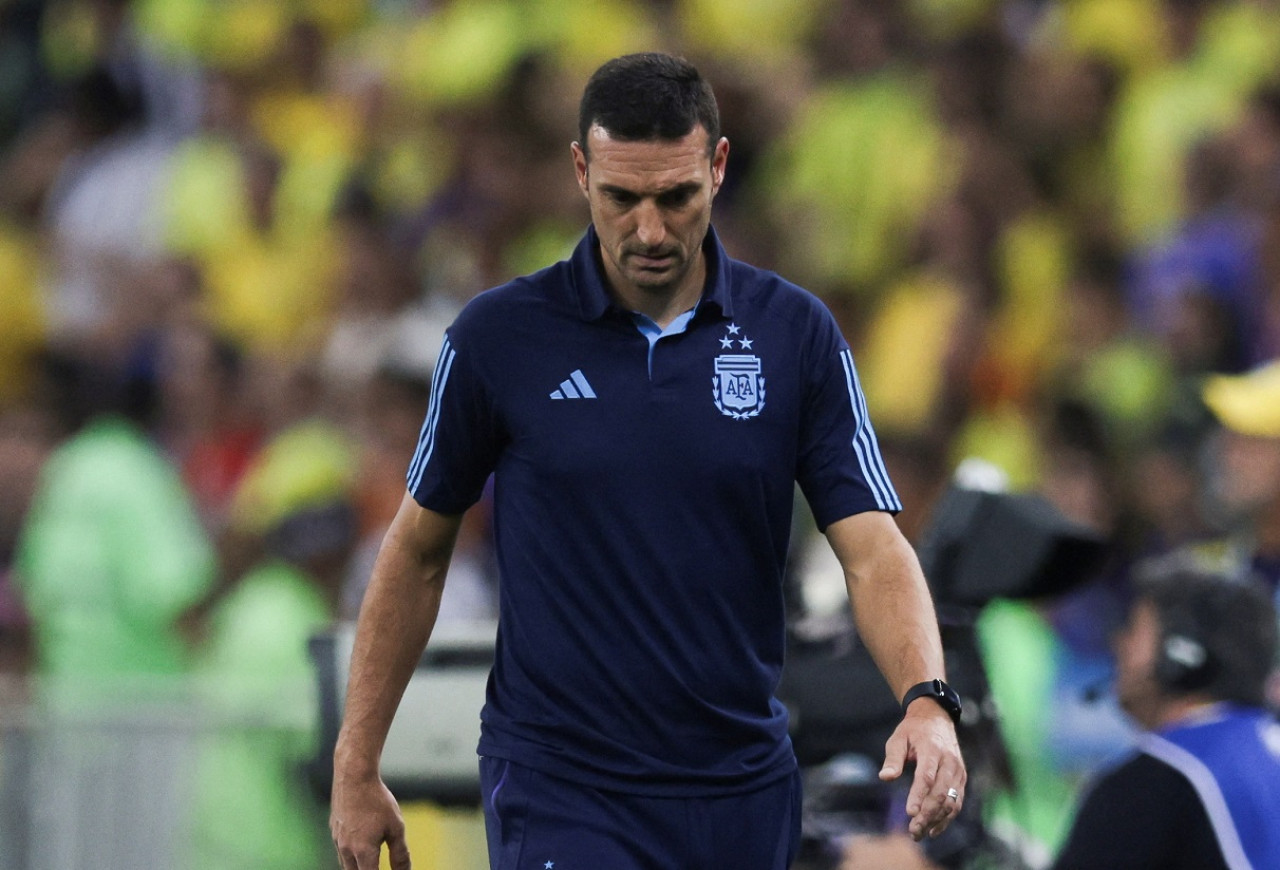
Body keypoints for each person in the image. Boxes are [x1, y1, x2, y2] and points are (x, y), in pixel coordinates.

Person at [330, 52, 965, 870]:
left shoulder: (794, 336)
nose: (651, 230)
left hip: (740, 787)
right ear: (580, 170)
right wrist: (357, 760)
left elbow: (874, 548)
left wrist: (927, 701)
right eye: (621, 199)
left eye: (677, 197)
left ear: (720, 166)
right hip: (563, 785)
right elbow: (417, 551)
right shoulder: (498, 340)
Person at [1051, 563, 1280, 870]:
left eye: (1135, 629)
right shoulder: (1266, 749)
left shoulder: (1154, 780)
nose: (1120, 644)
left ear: (1182, 654)